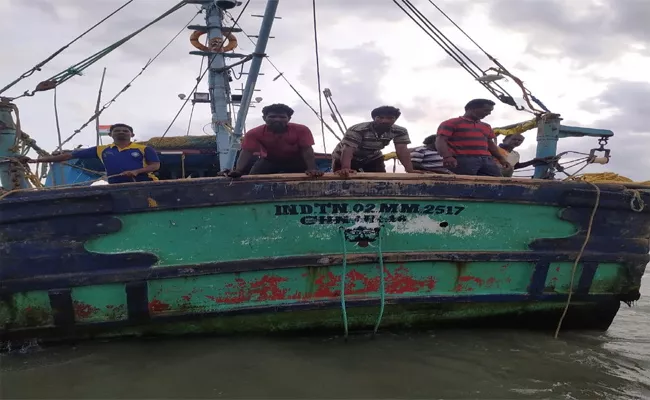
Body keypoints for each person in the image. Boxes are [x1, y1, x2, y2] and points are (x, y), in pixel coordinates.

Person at [24, 123, 160, 184]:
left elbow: (155, 166)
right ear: (111, 134)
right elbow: (69, 156)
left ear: (132, 134)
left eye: (125, 131)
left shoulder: (144, 149)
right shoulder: (101, 149)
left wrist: (137, 171)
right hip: (116, 186)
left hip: (143, 183)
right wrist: (37, 161)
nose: (121, 132)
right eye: (117, 130)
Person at [227, 103, 322, 178]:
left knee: (314, 176)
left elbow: (307, 150)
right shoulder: (254, 133)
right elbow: (247, 152)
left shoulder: (302, 130)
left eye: (282, 117)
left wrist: (312, 169)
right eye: (272, 117)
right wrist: (238, 170)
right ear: (264, 118)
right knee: (252, 179)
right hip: (270, 161)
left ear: (289, 119)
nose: (277, 119)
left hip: (297, 161)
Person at [331, 106, 419, 177]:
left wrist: (409, 170)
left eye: (390, 118)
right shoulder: (358, 129)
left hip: (372, 157)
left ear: (395, 119)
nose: (385, 121)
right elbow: (348, 149)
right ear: (374, 118)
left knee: (381, 181)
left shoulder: (400, 131)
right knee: (344, 177)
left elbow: (402, 150)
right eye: (380, 118)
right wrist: (345, 168)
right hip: (345, 156)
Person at [435, 99, 510, 176]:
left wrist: (501, 159)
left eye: (490, 111)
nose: (489, 113)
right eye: (486, 110)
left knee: (495, 182)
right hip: (463, 159)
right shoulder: (451, 123)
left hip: (486, 159)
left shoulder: (486, 126)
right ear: (472, 109)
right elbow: (441, 140)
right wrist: (447, 157)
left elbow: (490, 144)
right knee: (465, 183)